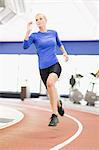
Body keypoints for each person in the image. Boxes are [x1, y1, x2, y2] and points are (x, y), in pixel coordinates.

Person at [23, 13, 69, 126]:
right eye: (36, 20)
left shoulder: (53, 33)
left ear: (45, 20)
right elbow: (25, 46)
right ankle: (58, 104)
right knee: (51, 89)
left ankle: (54, 115)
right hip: (43, 68)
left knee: (50, 83)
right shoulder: (34, 36)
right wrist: (28, 31)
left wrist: (64, 53)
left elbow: (59, 43)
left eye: (40, 19)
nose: (38, 21)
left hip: (54, 64)